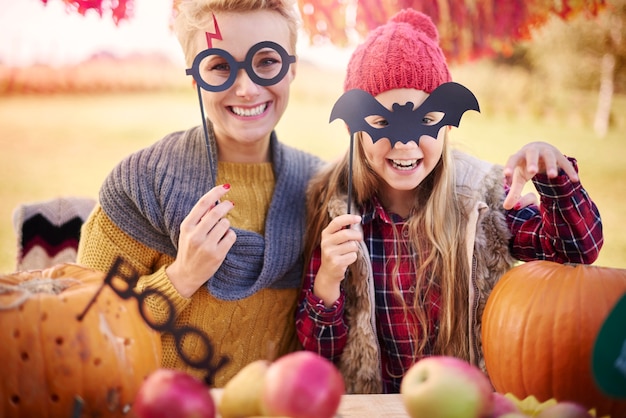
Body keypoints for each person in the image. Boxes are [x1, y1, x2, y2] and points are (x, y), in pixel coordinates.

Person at [295, 8, 603, 394]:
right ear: (355, 126)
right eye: (380, 122)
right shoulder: (339, 211)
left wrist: (553, 178)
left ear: (448, 121)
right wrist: (328, 282)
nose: (405, 142)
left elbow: (578, 249)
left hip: (466, 404)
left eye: (426, 121)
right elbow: (318, 352)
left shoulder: (484, 200)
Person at [77, 0, 322, 386]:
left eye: (267, 62)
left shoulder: (318, 188)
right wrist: (181, 277)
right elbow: (85, 327)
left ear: (292, 68)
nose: (247, 88)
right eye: (220, 66)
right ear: (195, 78)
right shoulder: (142, 184)